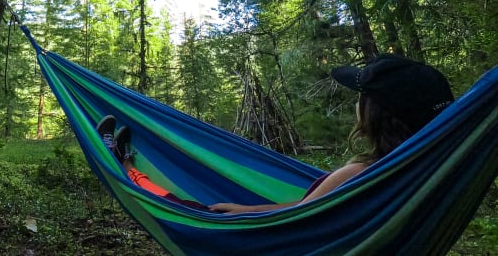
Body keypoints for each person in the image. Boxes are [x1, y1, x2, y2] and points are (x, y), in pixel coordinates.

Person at [98, 54, 455, 213]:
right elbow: (308, 212)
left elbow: (299, 218)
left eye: (361, 97)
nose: (356, 104)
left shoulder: (360, 173)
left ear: (377, 114)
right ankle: (128, 162)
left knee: (184, 205)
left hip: (277, 240)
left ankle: (126, 166)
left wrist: (243, 212)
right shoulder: (425, 171)